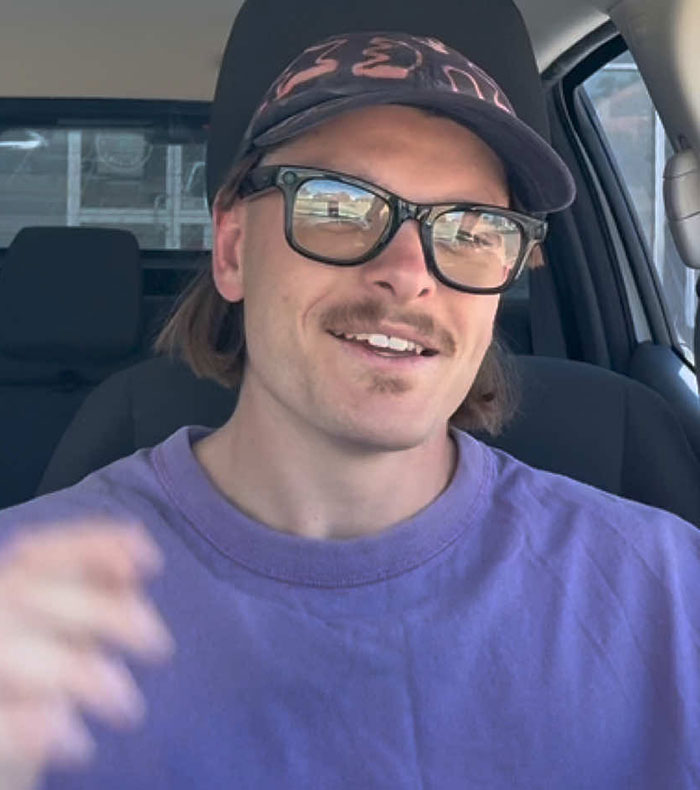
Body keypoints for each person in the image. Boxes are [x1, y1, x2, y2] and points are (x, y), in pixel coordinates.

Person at [0, 30, 698, 790]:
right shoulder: (19, 607)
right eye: (339, 205)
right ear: (232, 248)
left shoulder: (669, 594)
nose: (408, 274)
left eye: (471, 229)